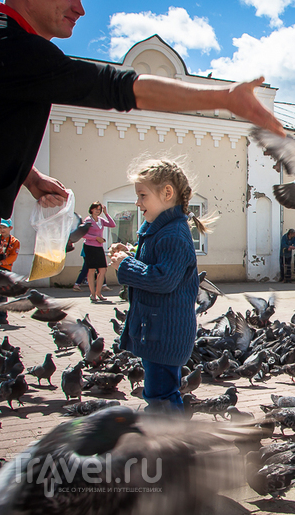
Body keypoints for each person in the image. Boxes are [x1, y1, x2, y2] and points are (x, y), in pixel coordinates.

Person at [0, 0, 285, 381]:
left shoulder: (7, 50)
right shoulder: (10, 45)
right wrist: (225, 99)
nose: (80, 8)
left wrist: (31, 177)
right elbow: (118, 86)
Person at [109, 157, 215, 412]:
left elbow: (163, 278)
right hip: (159, 332)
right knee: (159, 395)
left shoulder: (173, 233)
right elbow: (156, 265)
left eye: (142, 195)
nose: (137, 202)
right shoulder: (161, 230)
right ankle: (167, 441)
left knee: (161, 399)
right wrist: (131, 255)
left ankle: (171, 445)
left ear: (167, 193)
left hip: (166, 335)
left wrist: (125, 265)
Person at [82, 202, 115, 302]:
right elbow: (83, 234)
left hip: (99, 248)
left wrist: (106, 213)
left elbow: (112, 225)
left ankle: (99, 292)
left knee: (103, 270)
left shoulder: (101, 220)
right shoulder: (88, 220)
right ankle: (92, 294)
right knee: (91, 270)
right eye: (96, 209)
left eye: (99, 209)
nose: (98, 211)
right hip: (90, 247)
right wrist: (96, 238)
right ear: (91, 209)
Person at [0, 219, 19, 324]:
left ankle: (2, 316)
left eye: (4, 227)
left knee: (3, 294)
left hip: (5, 269)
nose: (2, 230)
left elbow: (13, 256)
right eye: (0, 227)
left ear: (10, 228)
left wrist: (2, 262)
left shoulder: (14, 242)